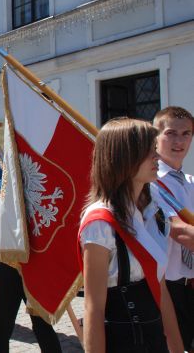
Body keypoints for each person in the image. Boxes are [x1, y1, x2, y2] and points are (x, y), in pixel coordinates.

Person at [80, 118, 182, 352]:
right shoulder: (100, 222)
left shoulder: (152, 211)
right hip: (123, 342)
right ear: (124, 158)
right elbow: (93, 307)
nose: (157, 158)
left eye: (155, 150)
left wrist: (176, 347)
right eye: (149, 152)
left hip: (154, 340)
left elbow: (160, 286)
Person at [152, 106, 194, 350]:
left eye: (186, 134)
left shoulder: (190, 183)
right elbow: (178, 232)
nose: (179, 141)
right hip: (168, 288)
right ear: (156, 137)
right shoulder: (149, 182)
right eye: (171, 133)